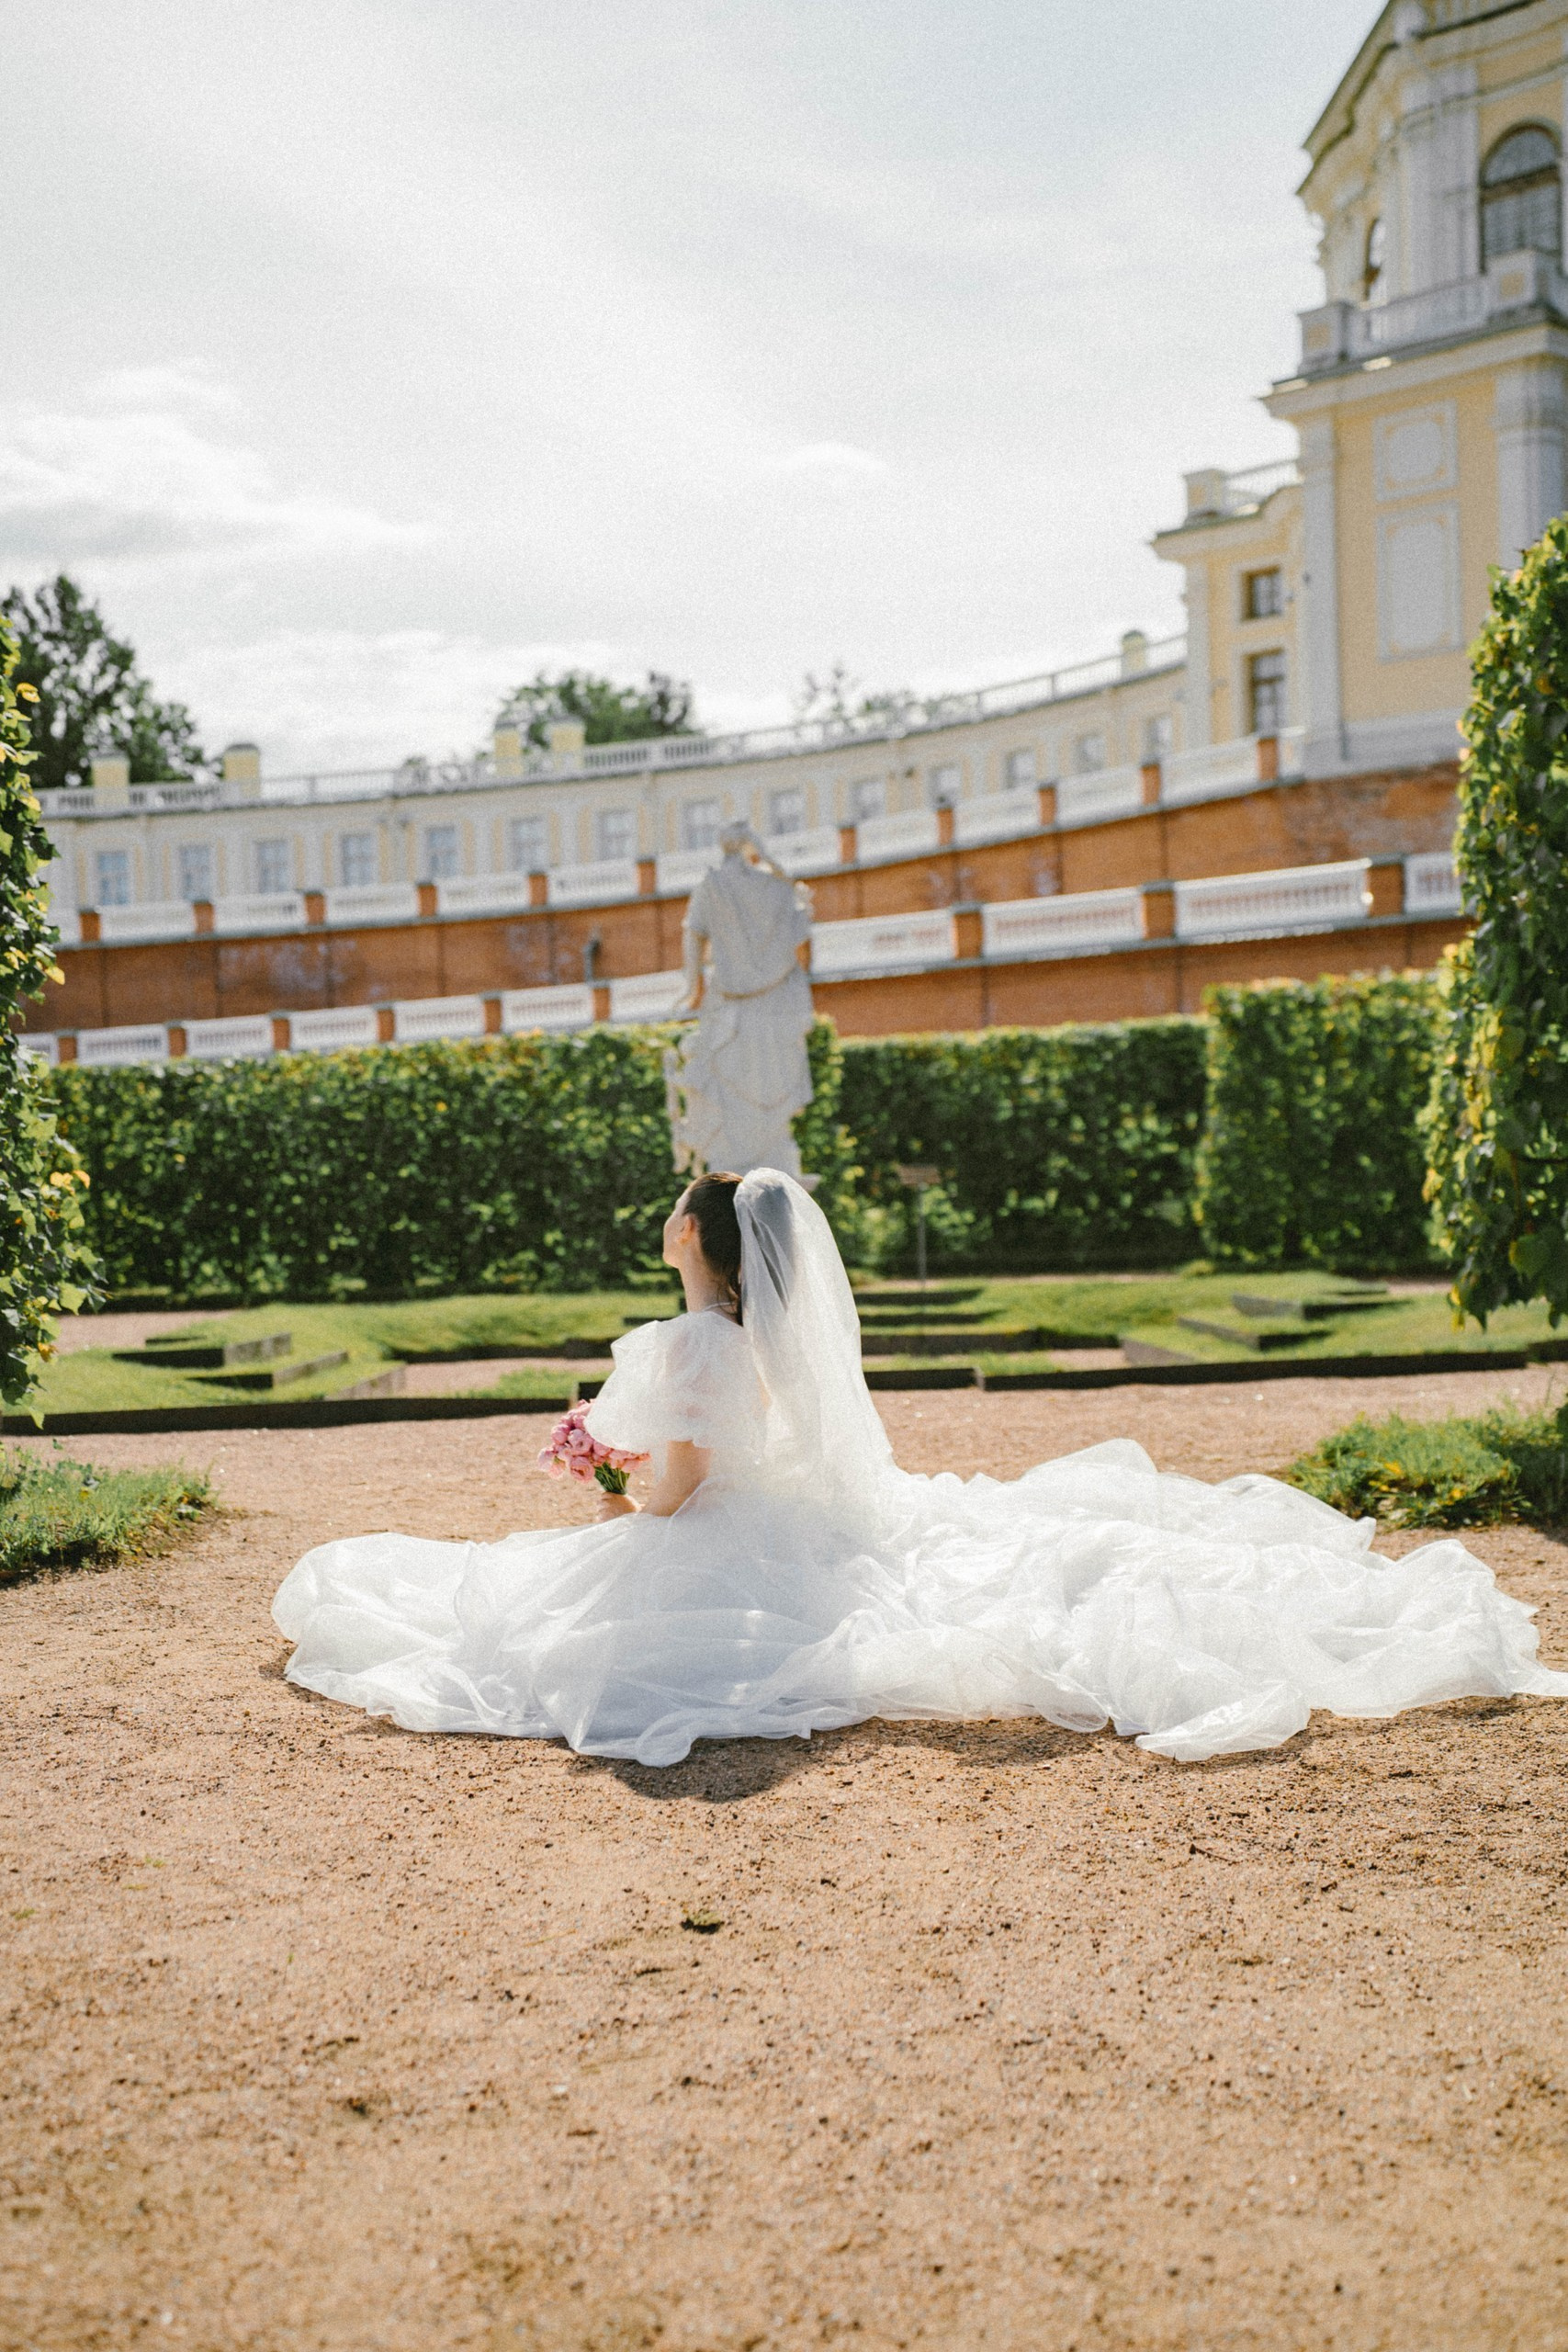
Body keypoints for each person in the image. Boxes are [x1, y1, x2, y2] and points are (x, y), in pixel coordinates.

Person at [273, 1170, 1568, 1768]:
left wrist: (593, 1477)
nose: (668, 1210)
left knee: (511, 1627)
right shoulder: (740, 1340)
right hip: (801, 1522)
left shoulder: (689, 1341)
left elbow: (670, 1495)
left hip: (721, 1538)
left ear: (697, 1240)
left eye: (681, 1201)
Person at [664, 824, 814, 1180]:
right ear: (750, 847)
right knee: (771, 1084)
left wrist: (691, 985)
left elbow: (693, 936)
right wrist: (774, 863)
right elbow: (799, 930)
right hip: (774, 1005)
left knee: (730, 1085)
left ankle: (734, 1158)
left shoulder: (711, 886)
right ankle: (770, 1156)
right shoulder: (774, 887)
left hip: (729, 1006)